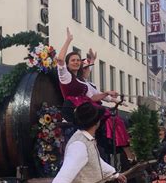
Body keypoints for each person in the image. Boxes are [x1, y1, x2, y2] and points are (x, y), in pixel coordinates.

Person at [56, 28, 134, 160]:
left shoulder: (81, 81)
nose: (76, 62)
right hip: (73, 109)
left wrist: (107, 93)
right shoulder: (65, 77)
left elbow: (93, 97)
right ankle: (115, 149)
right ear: (68, 64)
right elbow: (60, 60)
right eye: (73, 60)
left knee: (112, 117)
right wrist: (68, 40)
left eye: (78, 60)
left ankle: (123, 152)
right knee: (106, 116)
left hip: (84, 107)